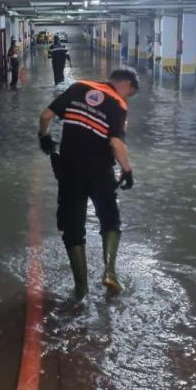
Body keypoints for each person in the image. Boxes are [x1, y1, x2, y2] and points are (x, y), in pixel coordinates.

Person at [37, 68, 139, 301]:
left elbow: (45, 116)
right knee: (110, 219)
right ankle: (110, 272)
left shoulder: (78, 87)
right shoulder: (117, 104)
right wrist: (127, 170)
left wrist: (44, 137)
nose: (126, 99)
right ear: (124, 84)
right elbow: (115, 142)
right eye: (129, 94)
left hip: (69, 169)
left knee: (72, 229)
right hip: (100, 171)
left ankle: (81, 289)